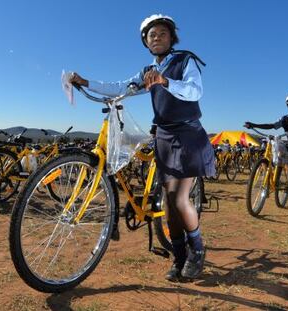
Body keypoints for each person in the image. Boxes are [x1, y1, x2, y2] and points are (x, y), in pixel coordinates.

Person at [70, 14, 215, 281]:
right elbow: (120, 86)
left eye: (162, 33)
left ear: (171, 38)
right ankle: (179, 255)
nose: (157, 37)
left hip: (187, 134)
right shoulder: (146, 71)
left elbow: (195, 91)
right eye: (152, 35)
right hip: (164, 135)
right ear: (146, 43)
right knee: (168, 202)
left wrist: (165, 81)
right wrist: (85, 82)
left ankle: (197, 249)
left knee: (180, 199)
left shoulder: (185, 60)